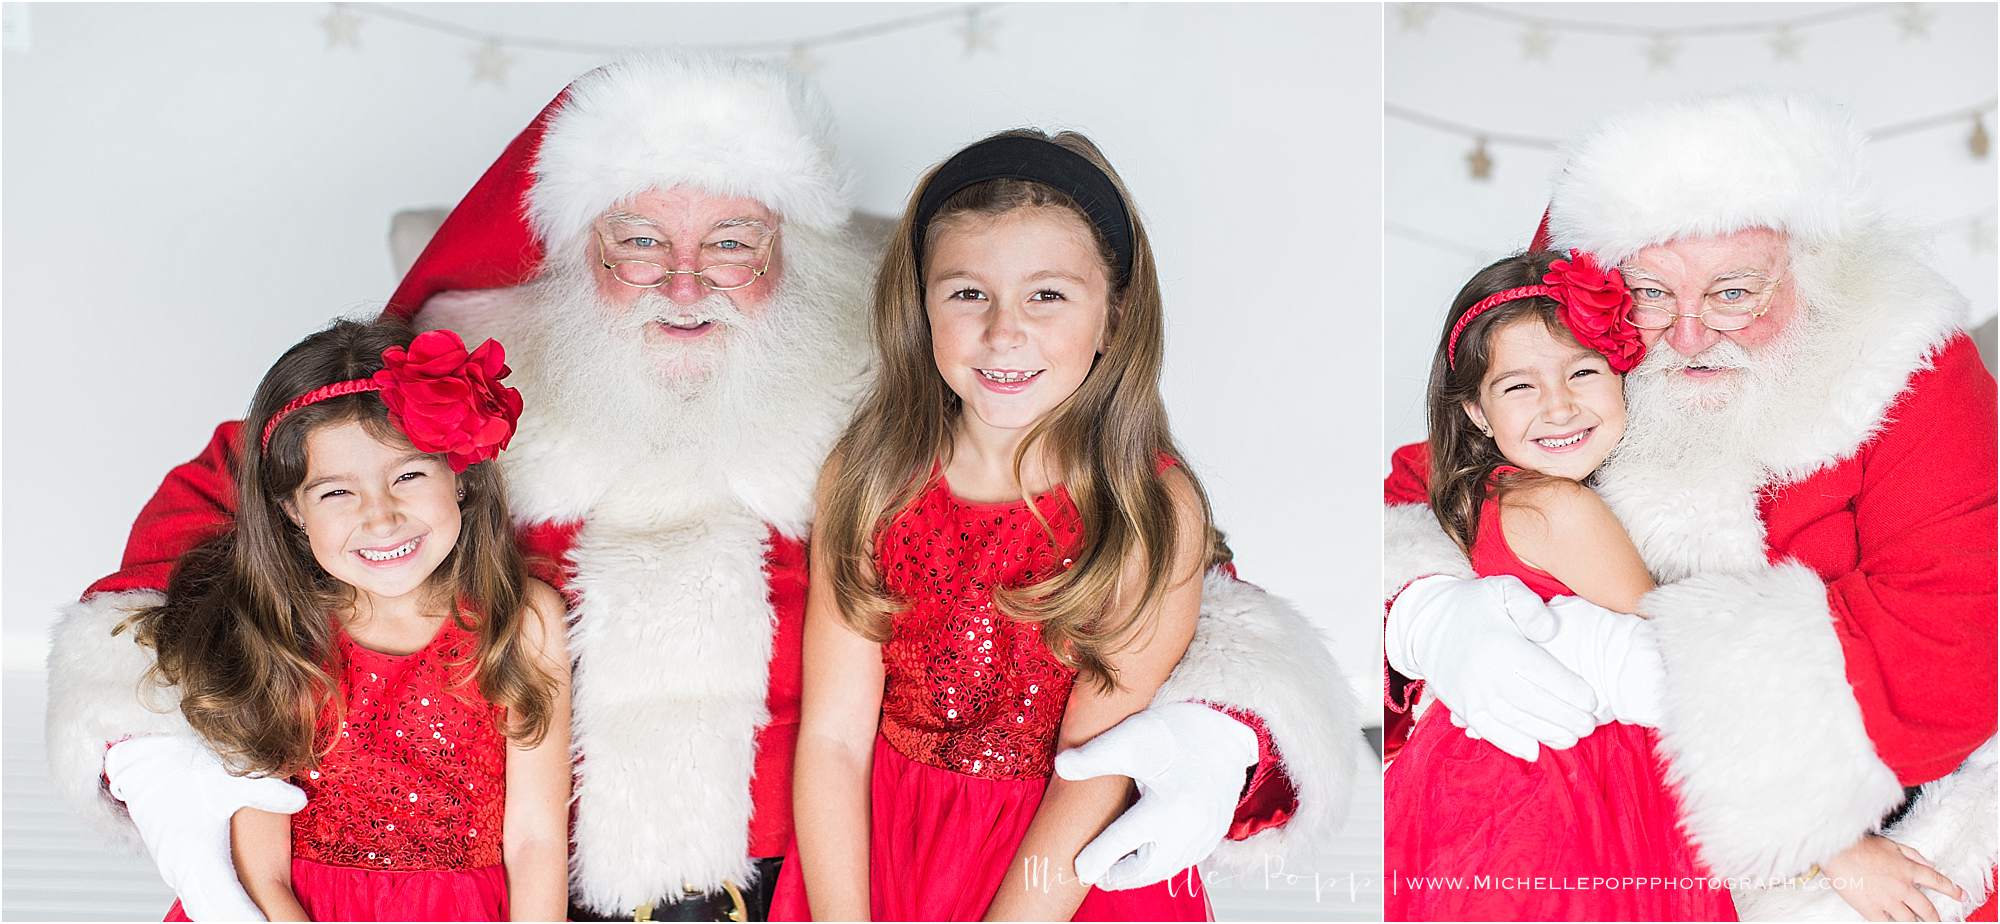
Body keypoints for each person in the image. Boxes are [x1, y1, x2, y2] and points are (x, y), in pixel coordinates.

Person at [47, 54, 1359, 921]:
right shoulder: (453, 382)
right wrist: (146, 746)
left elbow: (1137, 527)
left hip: (823, 880)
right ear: (573, 248)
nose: (686, 281)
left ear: (789, 246)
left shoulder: (895, 379)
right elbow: (221, 512)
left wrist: (1229, 721)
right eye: (638, 243)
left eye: (729, 241)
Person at [1382, 94, 1997, 919]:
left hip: (1868, 817)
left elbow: (1959, 634)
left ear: (1813, 279)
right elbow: (1425, 493)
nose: (1690, 335)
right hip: (1570, 826)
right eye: (1649, 294)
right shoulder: (1571, 382)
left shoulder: (1908, 372)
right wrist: (1431, 614)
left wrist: (1805, 824)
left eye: (1735, 292)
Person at [775, 130, 1214, 921]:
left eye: (1047, 295)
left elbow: (1096, 769)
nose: (1004, 332)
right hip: (883, 853)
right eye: (967, 293)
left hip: (1060, 874)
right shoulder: (870, 478)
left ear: (1114, 317)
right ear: (920, 308)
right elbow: (835, 739)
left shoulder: (1148, 510)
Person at [123, 319, 571, 921]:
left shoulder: (523, 621)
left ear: (461, 477)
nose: (381, 518)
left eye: (408, 475)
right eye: (337, 493)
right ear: (292, 510)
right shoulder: (282, 627)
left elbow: (535, 838)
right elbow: (262, 866)